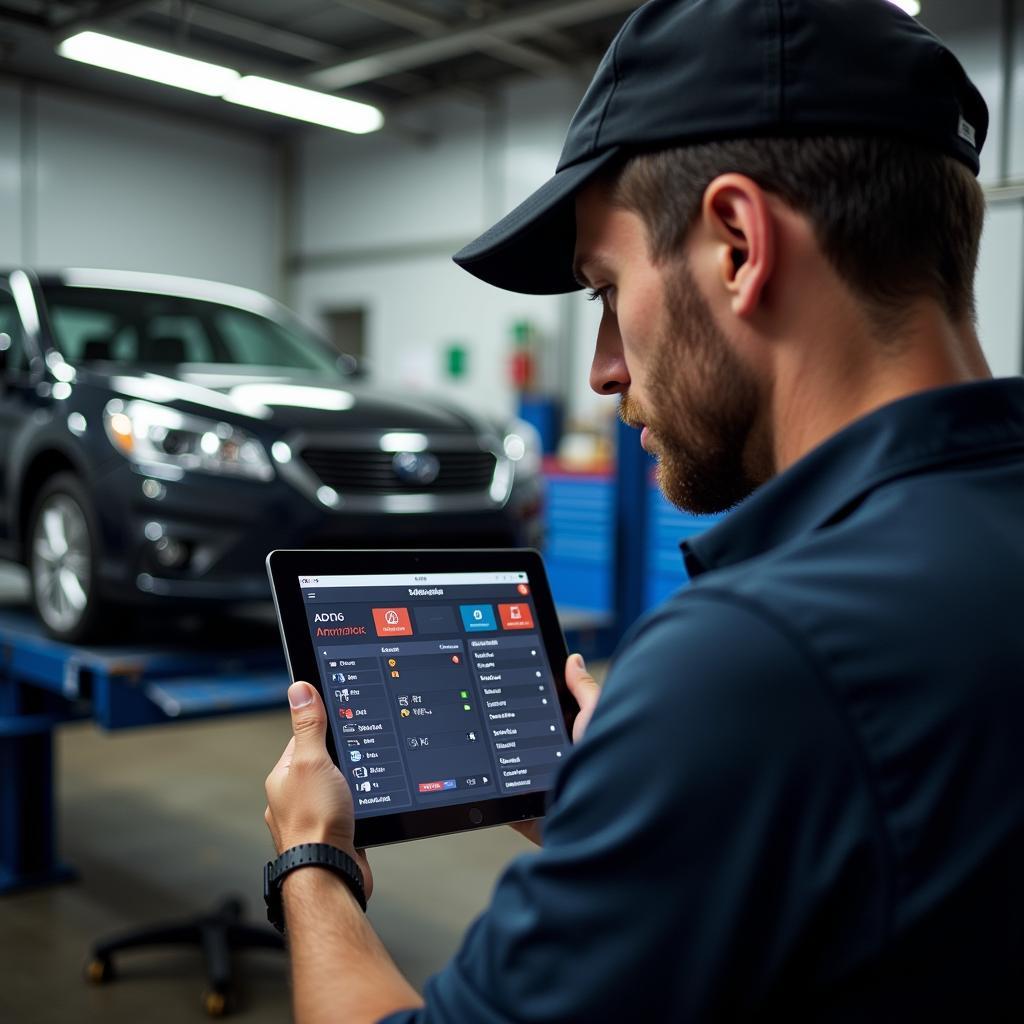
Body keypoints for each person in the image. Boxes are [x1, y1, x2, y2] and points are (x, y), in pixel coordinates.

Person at [264, 0, 1024, 1019]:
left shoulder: (759, 661)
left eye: (607, 290)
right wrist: (648, 805)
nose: (604, 369)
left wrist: (314, 863)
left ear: (738, 245)